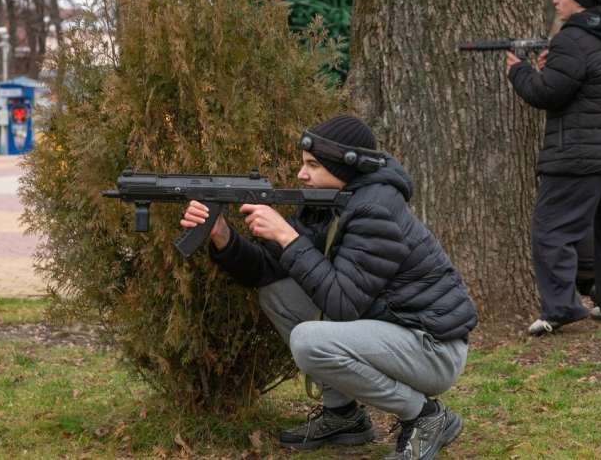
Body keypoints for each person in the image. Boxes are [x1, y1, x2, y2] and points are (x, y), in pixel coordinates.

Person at [180, 115, 477, 460]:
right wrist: (222, 237)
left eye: (313, 165)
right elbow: (265, 269)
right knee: (277, 293)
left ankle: (426, 416)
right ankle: (344, 415)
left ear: (346, 167)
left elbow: (342, 304)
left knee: (309, 341)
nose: (301, 174)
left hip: (432, 349)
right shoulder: (330, 202)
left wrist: (287, 237)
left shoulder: (375, 209)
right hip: (396, 331)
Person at [505, 0, 601, 336]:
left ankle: (561, 307)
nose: (555, 0)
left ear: (578, 0)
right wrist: (550, 69)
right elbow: (584, 83)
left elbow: (549, 94)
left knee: (551, 230)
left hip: (579, 156)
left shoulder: (573, 39)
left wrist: (519, 72)